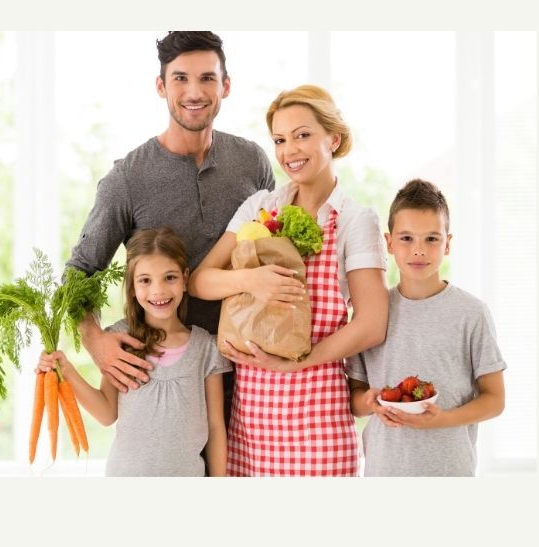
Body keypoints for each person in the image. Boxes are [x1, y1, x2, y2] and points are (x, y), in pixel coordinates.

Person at [65, 31, 275, 418]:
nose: (194, 91)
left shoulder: (252, 162)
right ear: (161, 86)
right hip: (162, 382)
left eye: (207, 78)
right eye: (180, 78)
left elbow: (270, 247)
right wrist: (96, 341)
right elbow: (80, 272)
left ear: (225, 86)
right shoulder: (127, 179)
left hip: (251, 373)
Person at [189, 84, 389, 476]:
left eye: (302, 135)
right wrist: (251, 280)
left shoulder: (353, 219)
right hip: (252, 423)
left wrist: (295, 364)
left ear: (333, 138)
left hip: (320, 421)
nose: (289, 151)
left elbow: (372, 324)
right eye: (280, 140)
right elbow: (200, 281)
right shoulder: (260, 207)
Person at [346, 179, 506, 476]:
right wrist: (370, 402)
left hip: (450, 470)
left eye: (431, 239)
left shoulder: (472, 313)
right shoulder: (370, 313)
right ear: (389, 243)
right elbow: (355, 399)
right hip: (384, 471)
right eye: (406, 238)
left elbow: (495, 400)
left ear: (448, 244)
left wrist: (441, 419)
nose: (418, 250)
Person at [41, 228, 231, 476]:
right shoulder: (120, 341)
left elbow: (216, 427)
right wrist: (66, 370)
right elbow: (107, 414)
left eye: (169, 278)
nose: (158, 291)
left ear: (185, 279)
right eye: (145, 280)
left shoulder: (206, 348)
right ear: (132, 287)